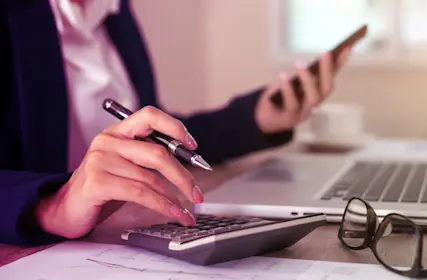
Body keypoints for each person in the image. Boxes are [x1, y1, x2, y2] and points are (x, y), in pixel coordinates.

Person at [0, 0, 353, 247]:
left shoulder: (115, 11)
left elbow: (156, 137)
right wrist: (50, 205)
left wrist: (258, 116)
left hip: (123, 230)